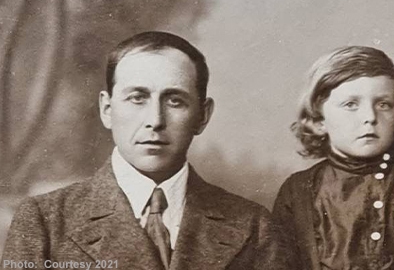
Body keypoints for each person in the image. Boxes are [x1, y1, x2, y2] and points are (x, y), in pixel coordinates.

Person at [1, 31, 297, 270]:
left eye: (175, 101)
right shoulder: (45, 221)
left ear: (202, 116)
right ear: (107, 109)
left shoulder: (253, 226)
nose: (155, 121)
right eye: (137, 98)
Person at [273, 46, 394, 270]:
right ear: (318, 120)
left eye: (384, 105)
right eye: (351, 105)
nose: (370, 117)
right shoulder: (299, 191)